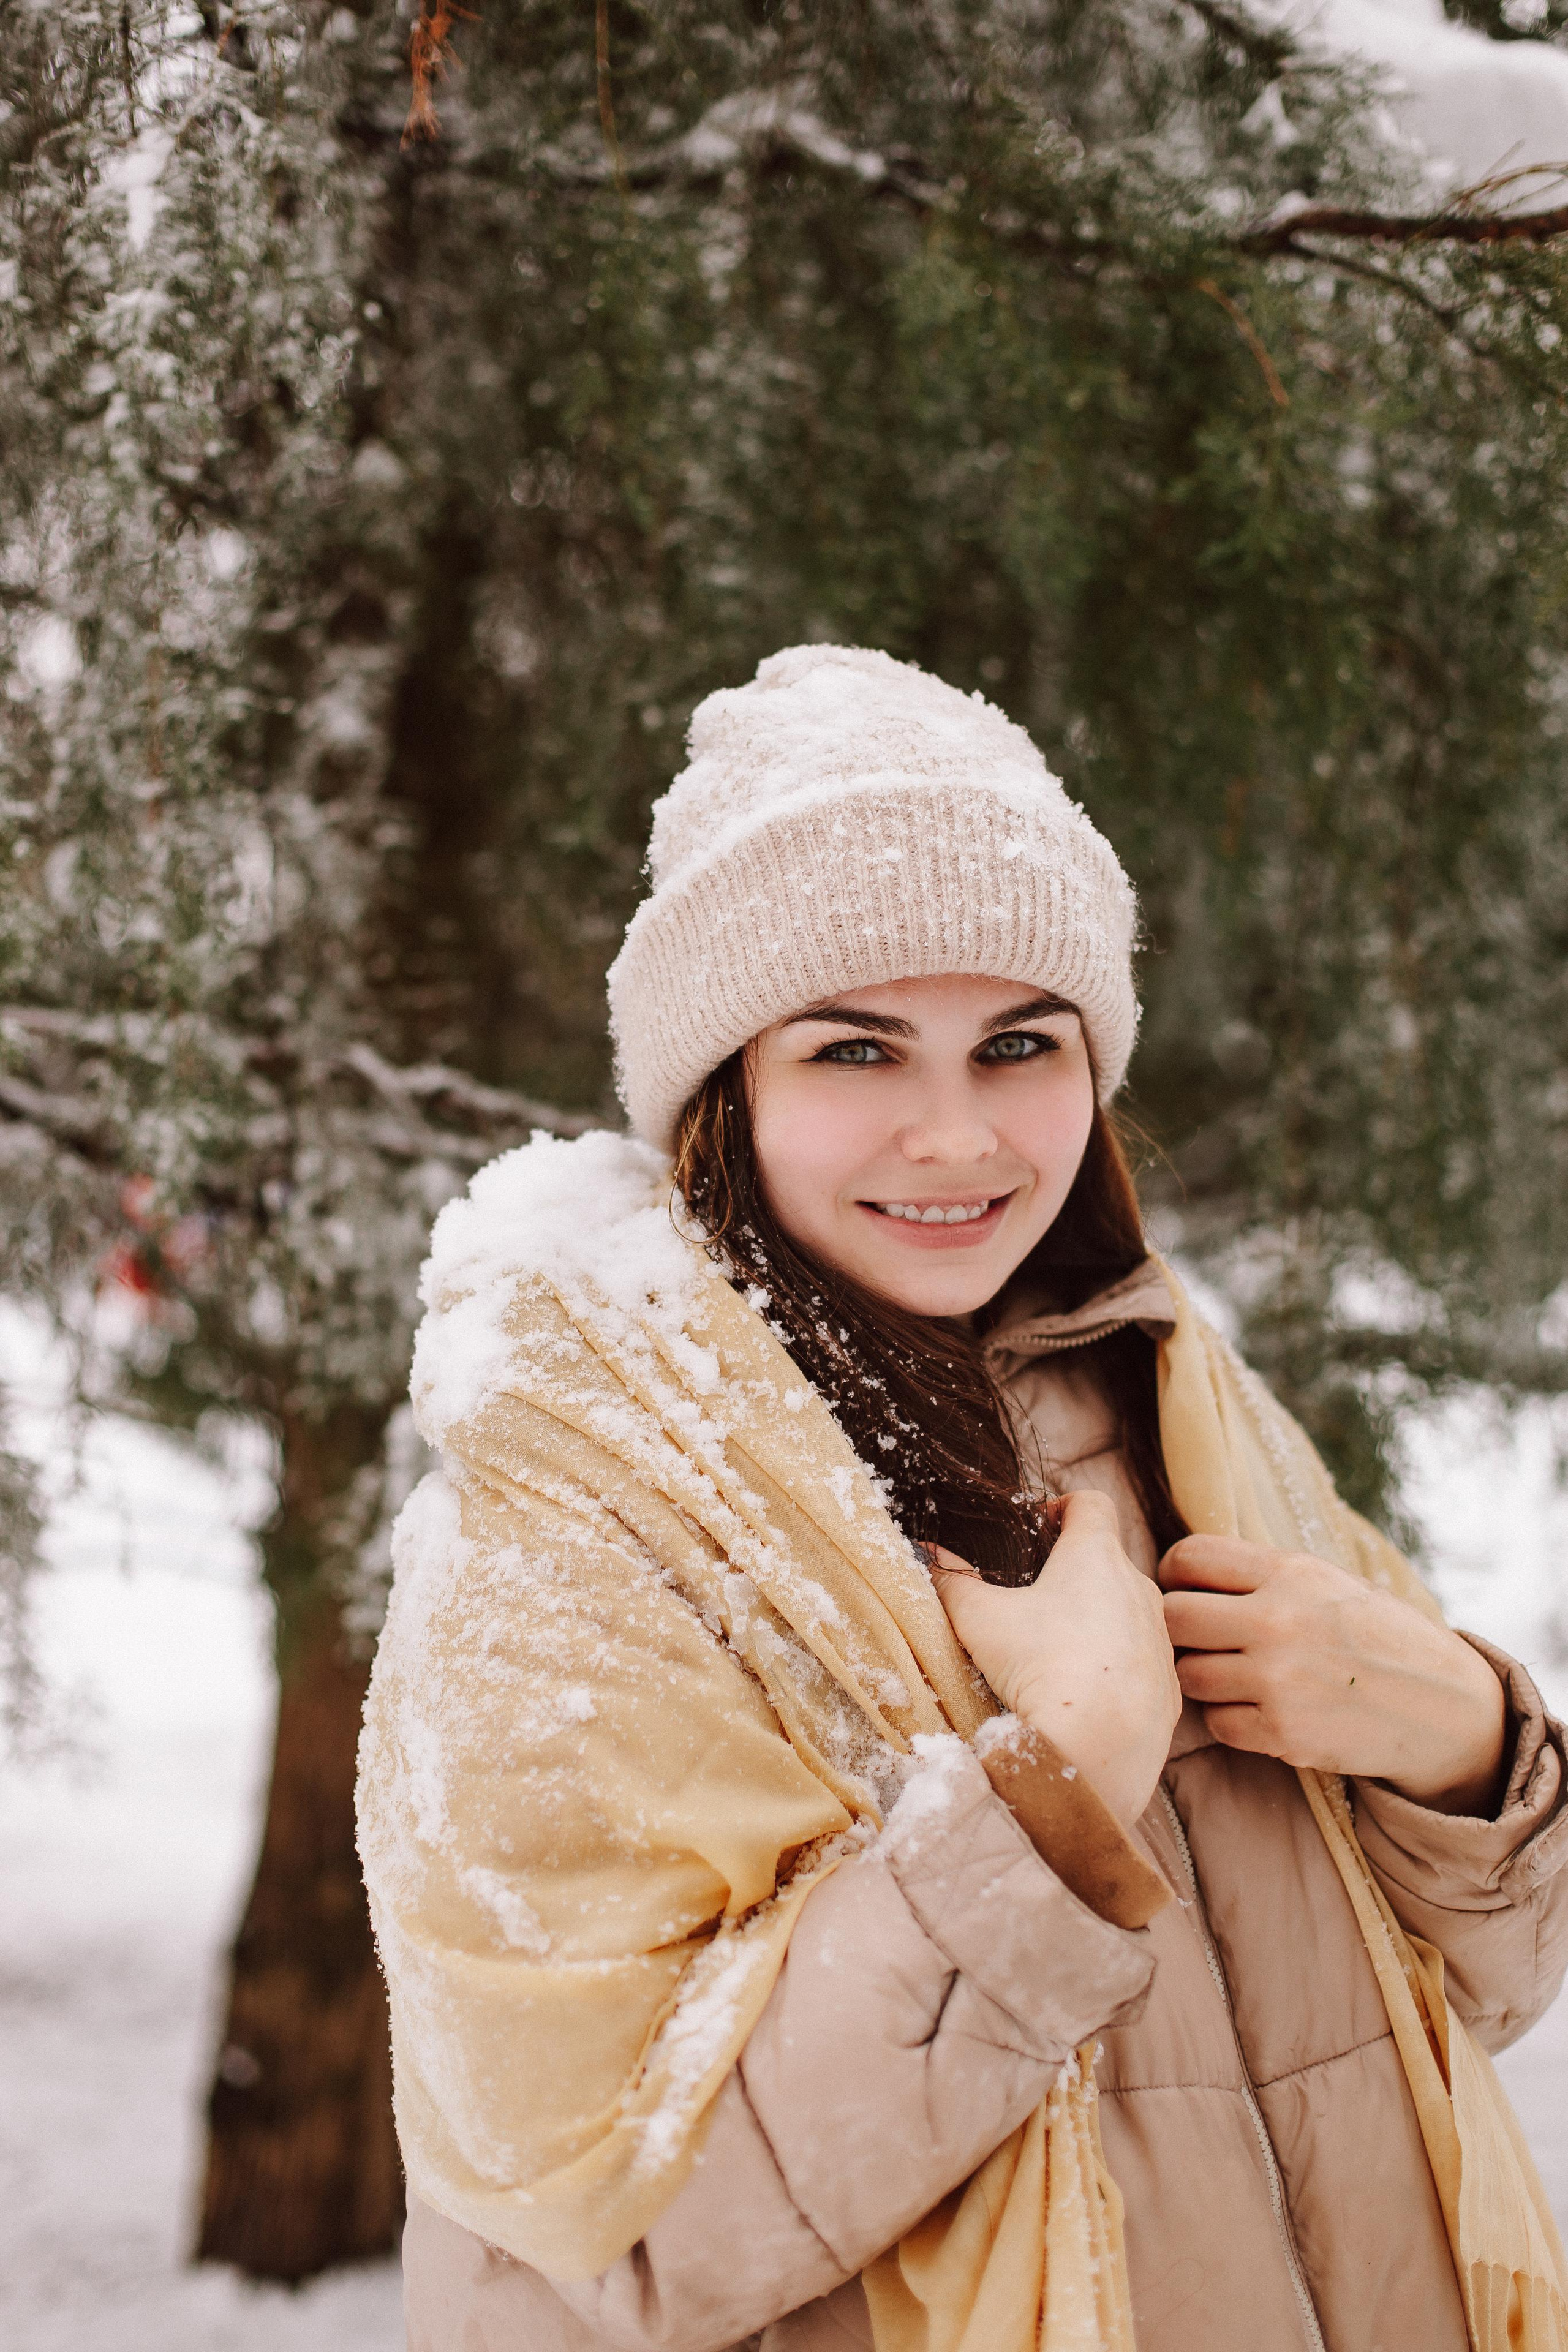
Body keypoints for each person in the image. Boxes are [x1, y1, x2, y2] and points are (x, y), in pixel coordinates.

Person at [358, 645, 1568, 2352]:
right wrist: (1061, 1792)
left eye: (1019, 1042)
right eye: (857, 1050)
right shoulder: (585, 1519)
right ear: (729, 1092)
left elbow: (1470, 2006)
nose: (956, 1136)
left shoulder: (1172, 1402)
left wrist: (1460, 1737)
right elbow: (603, 2249)